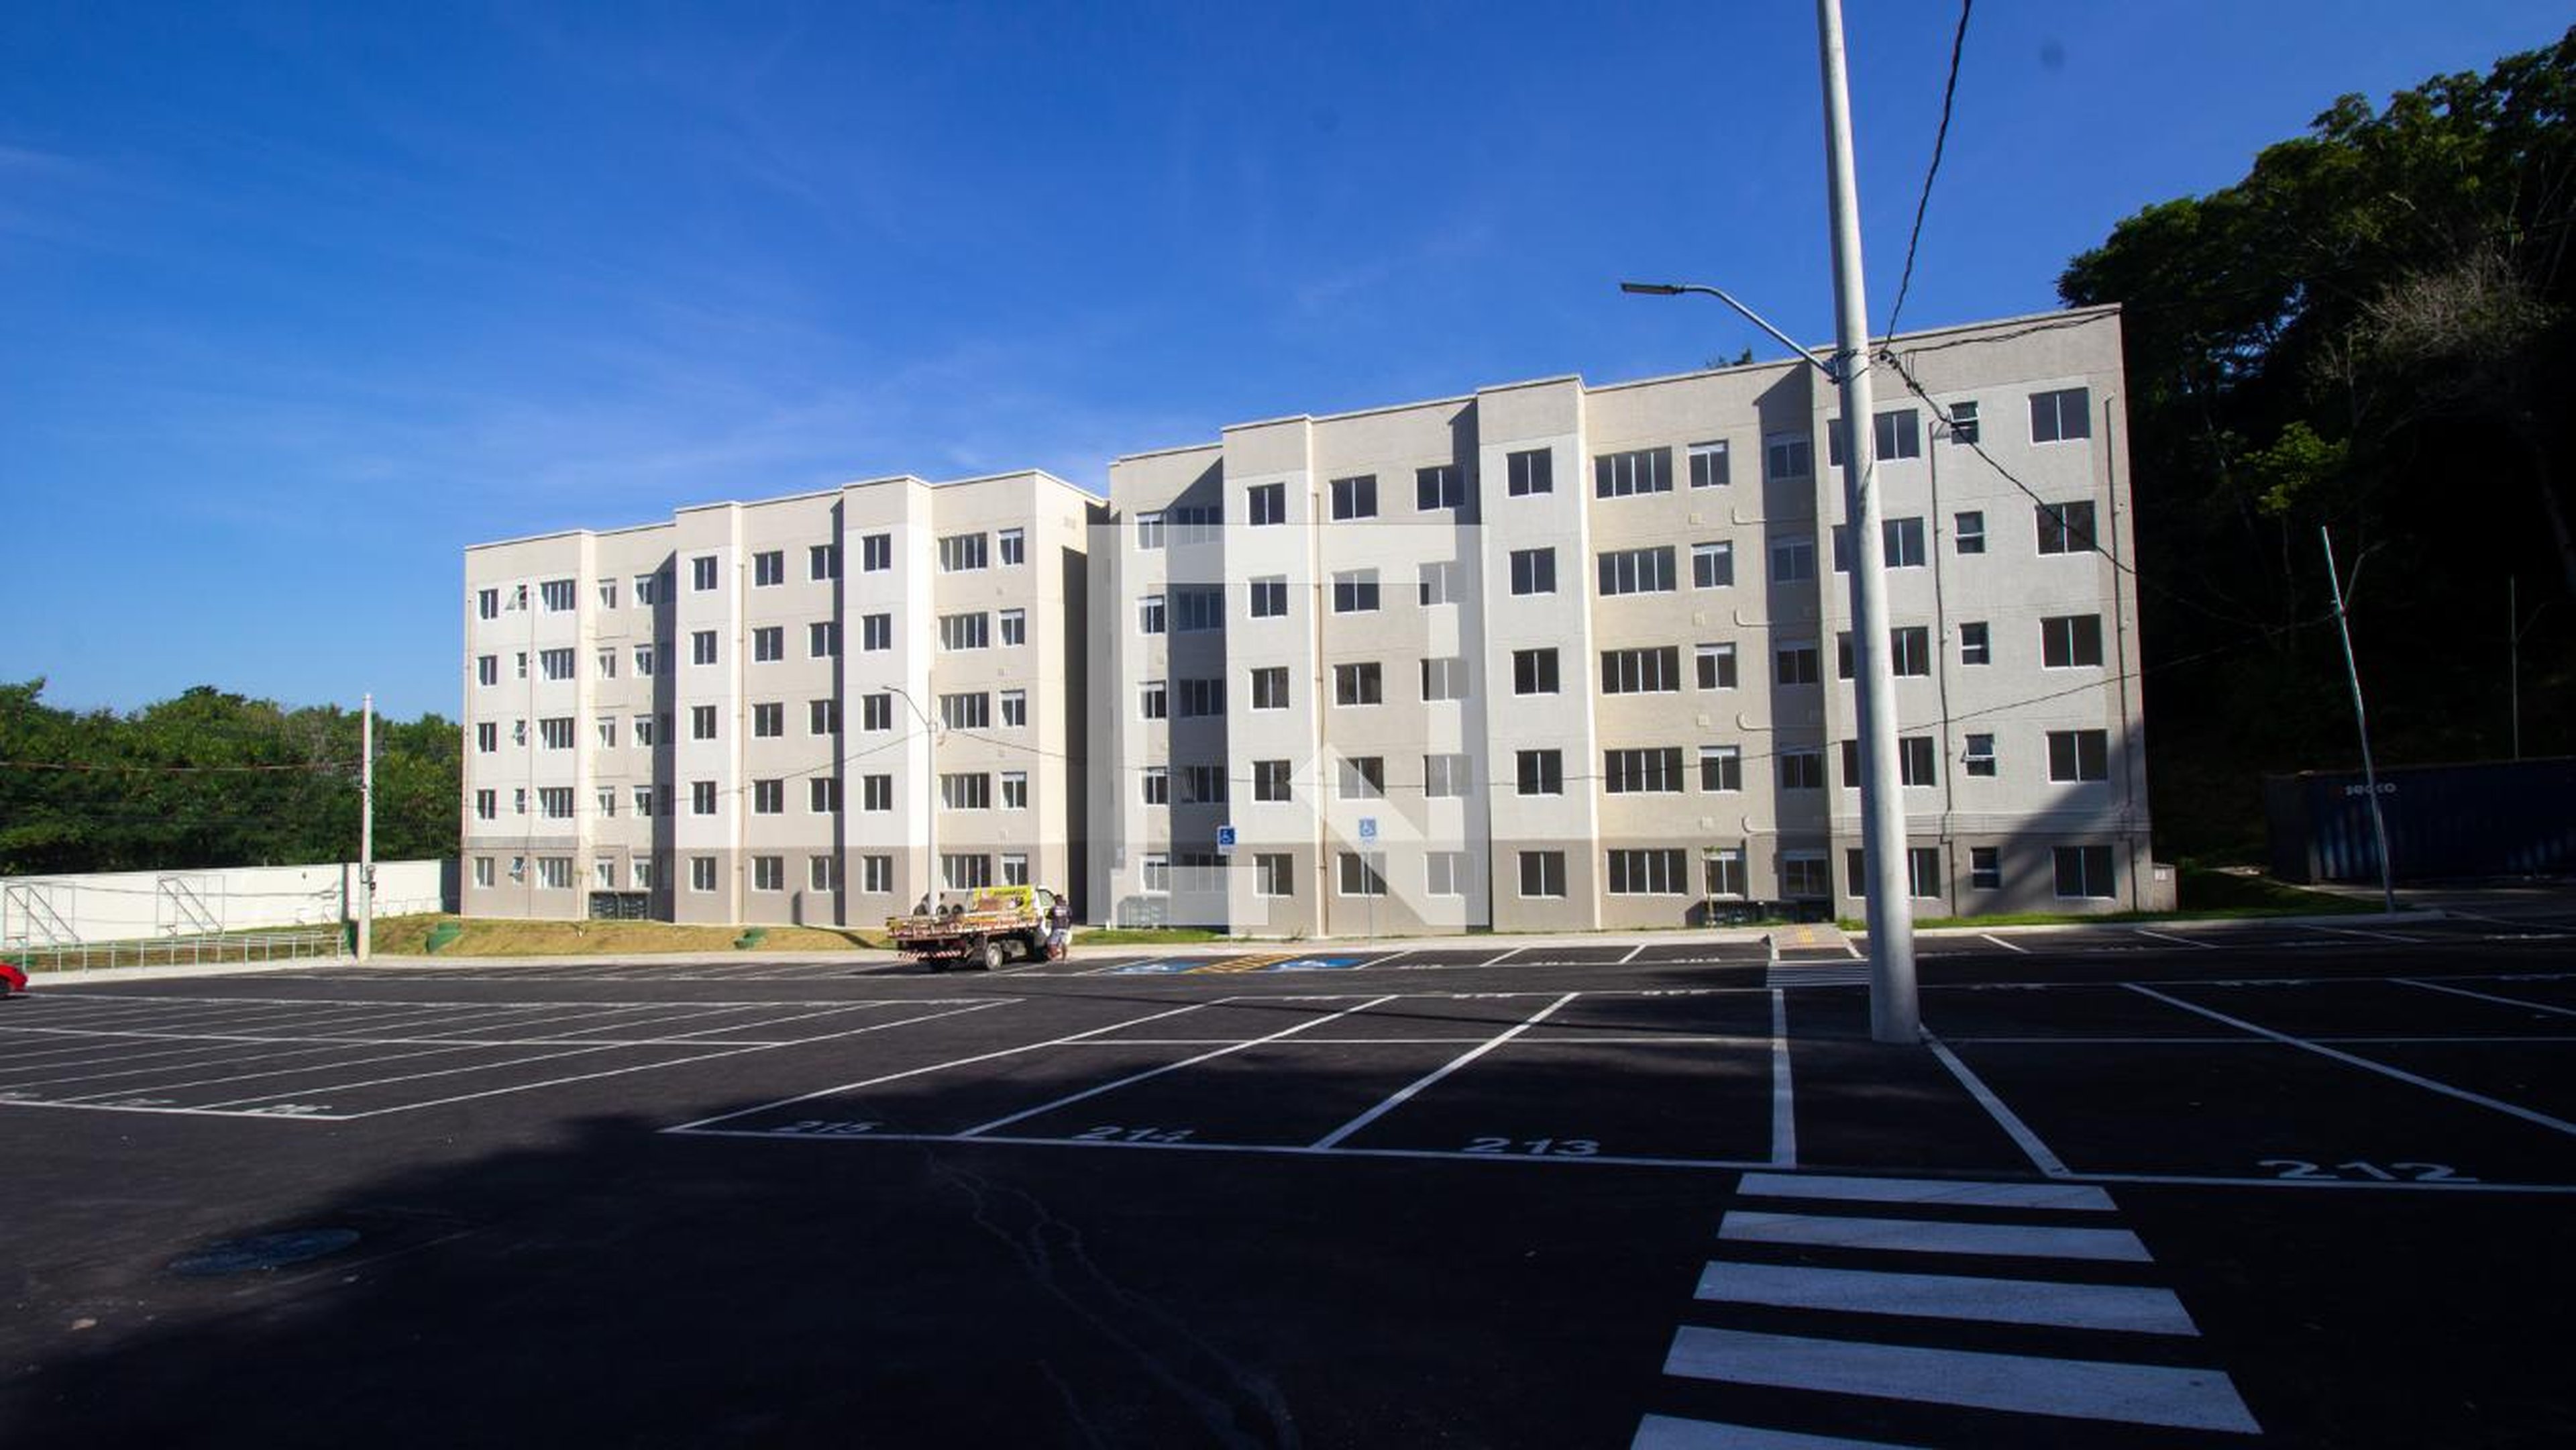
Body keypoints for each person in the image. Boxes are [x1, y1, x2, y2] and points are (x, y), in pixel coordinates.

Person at [1044, 891, 1071, 961]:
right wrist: (1068, 926)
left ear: (1056, 900)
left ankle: (1054, 955)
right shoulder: (1067, 908)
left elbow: (1048, 916)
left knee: (1051, 943)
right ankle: (1064, 958)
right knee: (1064, 943)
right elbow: (1070, 916)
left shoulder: (1054, 908)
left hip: (1056, 927)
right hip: (1065, 927)